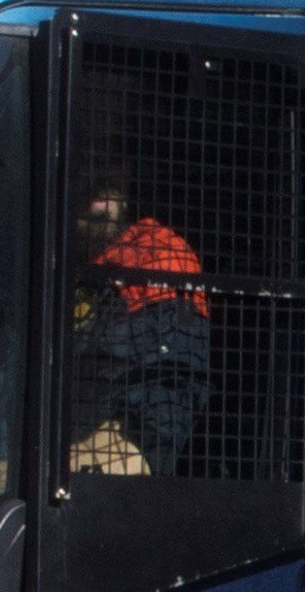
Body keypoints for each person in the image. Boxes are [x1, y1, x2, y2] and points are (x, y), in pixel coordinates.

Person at [68, 172, 210, 477]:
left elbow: (140, 444)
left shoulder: (156, 254)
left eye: (106, 188)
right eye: (84, 192)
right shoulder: (72, 272)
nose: (98, 202)